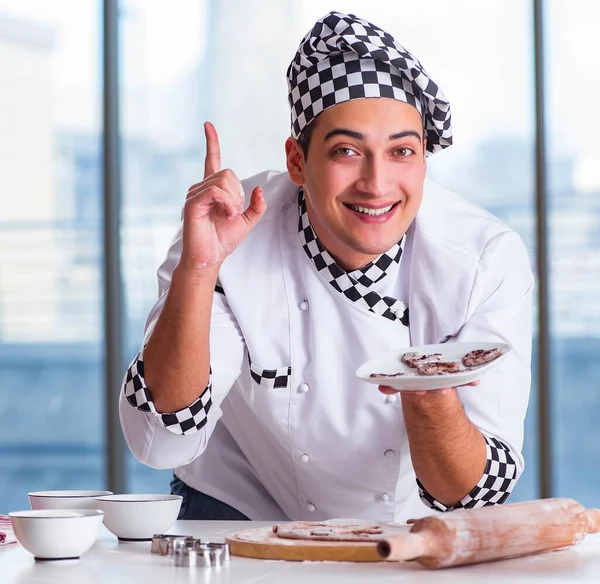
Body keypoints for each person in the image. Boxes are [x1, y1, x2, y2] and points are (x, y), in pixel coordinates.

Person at [120, 11, 533, 522]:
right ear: (297, 161)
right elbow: (158, 442)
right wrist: (199, 269)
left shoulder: (483, 261)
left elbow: (471, 494)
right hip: (233, 515)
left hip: (404, 532)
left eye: (401, 151)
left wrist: (426, 387)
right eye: (346, 151)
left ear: (425, 158)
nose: (376, 184)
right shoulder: (231, 235)